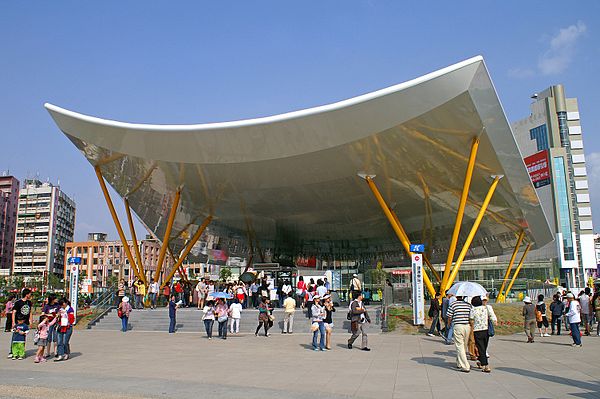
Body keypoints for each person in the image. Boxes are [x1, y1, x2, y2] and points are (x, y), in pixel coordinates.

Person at [469, 296, 496, 373]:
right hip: (485, 330)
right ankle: (481, 361)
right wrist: (494, 321)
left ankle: (486, 366)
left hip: (477, 331)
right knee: (484, 347)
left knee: (481, 348)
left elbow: (471, 319)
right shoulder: (486, 308)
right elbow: (491, 316)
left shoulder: (473, 310)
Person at [447, 296, 472, 372]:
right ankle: (459, 363)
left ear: (456, 297)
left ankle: (465, 366)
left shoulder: (453, 304)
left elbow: (449, 316)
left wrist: (448, 324)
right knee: (463, 346)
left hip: (458, 326)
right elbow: (471, 316)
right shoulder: (468, 305)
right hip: (467, 326)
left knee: (459, 346)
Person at [8, 288, 33, 359]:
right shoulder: (18, 302)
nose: (30, 295)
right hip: (18, 322)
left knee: (23, 337)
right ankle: (12, 352)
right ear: (27, 294)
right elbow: (14, 312)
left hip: (25, 323)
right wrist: (13, 322)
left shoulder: (29, 302)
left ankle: (21, 352)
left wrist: (31, 321)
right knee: (15, 337)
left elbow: (30, 312)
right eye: (30, 294)